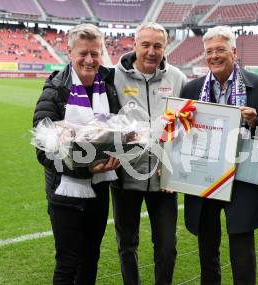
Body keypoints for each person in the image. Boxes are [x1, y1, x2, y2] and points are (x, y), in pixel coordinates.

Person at [180, 26, 258, 284]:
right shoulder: (192, 89)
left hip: (242, 177)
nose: (214, 56)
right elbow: (180, 136)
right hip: (205, 176)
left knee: (242, 246)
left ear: (234, 52)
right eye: (209, 51)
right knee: (207, 247)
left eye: (220, 50)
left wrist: (257, 122)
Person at [32, 23, 121, 285]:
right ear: (69, 52)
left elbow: (115, 130)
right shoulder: (55, 90)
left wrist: (121, 152)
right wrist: (84, 167)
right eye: (83, 53)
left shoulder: (109, 88)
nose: (90, 60)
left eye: (95, 53)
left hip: (99, 190)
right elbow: (43, 150)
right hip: (64, 192)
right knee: (68, 261)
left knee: (91, 257)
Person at [112, 22, 187, 285]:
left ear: (165, 47)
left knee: (167, 246)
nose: (151, 51)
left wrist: (175, 167)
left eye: (158, 46)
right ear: (134, 45)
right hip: (124, 179)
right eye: (145, 45)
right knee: (127, 244)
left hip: (164, 181)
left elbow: (189, 126)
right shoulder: (114, 76)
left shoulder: (177, 78)